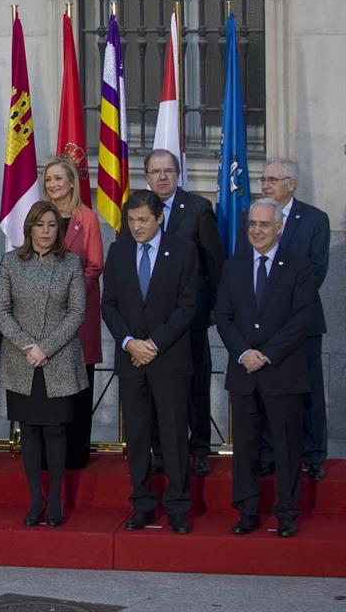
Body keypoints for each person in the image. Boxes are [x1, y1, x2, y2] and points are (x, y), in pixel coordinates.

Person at [121, 148, 224, 477]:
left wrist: (214, 311)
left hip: (188, 320)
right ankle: (160, 450)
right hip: (147, 323)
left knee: (194, 385)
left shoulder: (197, 208)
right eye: (155, 171)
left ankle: (199, 449)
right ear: (147, 175)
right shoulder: (138, 210)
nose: (162, 177)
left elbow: (214, 263)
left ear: (177, 174)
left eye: (168, 171)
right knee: (153, 392)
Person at [103, 190, 199, 534]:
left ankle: (177, 507)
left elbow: (188, 306)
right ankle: (142, 504)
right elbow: (109, 304)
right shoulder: (119, 251)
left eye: (142, 220)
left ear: (159, 218)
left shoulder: (183, 252)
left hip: (169, 360)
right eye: (131, 220)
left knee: (173, 437)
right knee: (138, 436)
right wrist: (130, 343)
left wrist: (154, 344)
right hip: (132, 361)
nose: (136, 226)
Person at [217, 198, 314, 538]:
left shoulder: (298, 267)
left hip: (282, 372)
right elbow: (224, 316)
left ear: (279, 228)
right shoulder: (233, 266)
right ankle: (247, 510)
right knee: (245, 446)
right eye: (252, 225)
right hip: (244, 372)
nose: (257, 231)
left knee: (286, 447)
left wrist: (267, 353)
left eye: (264, 225)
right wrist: (244, 352)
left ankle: (286, 512)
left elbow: (302, 318)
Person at [0, 201, 87, 527]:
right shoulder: (10, 263)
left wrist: (45, 348)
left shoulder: (71, 263)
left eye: (51, 225)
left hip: (58, 360)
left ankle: (57, 499)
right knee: (29, 430)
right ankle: (36, 500)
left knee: (56, 429)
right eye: (39, 224)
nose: (46, 231)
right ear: (29, 227)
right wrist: (26, 346)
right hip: (21, 361)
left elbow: (77, 312)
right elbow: (1, 311)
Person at [245, 159, 330, 481]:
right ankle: (268, 453)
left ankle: (314, 453)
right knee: (265, 391)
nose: (265, 184)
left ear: (291, 184)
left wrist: (285, 313)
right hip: (261, 325)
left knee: (307, 389)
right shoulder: (253, 216)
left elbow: (316, 272)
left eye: (273, 179)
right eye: (263, 179)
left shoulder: (314, 219)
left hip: (302, 323)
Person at [40, 158, 105, 469]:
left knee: (79, 384)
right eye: (49, 179)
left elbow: (94, 266)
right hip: (43, 317)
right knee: (48, 388)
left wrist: (70, 292)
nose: (53, 184)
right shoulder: (40, 218)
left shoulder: (87, 219)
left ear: (70, 183)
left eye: (58, 179)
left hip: (79, 315)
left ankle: (76, 455)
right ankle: (46, 455)